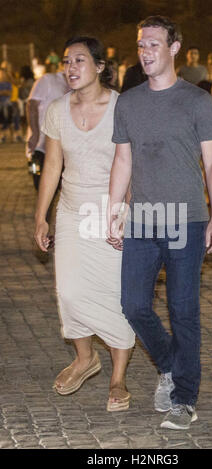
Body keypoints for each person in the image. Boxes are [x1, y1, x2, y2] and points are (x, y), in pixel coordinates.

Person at [108, 15, 212, 429]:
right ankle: (172, 364)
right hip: (142, 219)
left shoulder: (197, 101)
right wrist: (114, 208)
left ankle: (184, 397)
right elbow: (123, 159)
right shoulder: (129, 101)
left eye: (154, 44)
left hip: (187, 220)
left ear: (175, 48)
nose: (145, 52)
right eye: (141, 45)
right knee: (133, 304)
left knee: (183, 310)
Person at [34, 36, 135, 411]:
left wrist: (128, 214)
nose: (71, 67)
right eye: (66, 61)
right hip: (72, 211)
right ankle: (85, 357)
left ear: (100, 67)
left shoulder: (122, 108)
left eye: (79, 60)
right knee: (70, 293)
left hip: (111, 213)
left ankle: (118, 377)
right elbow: (53, 166)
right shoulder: (57, 109)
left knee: (113, 295)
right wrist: (40, 215)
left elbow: (133, 164)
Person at [26, 64, 69, 190]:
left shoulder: (78, 84)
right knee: (44, 187)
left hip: (66, 146)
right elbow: (31, 105)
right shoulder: (49, 80)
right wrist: (35, 133)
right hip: (42, 144)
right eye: (68, 61)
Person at [0, 68, 12, 143]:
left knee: (6, 110)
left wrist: (2, 92)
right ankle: (2, 135)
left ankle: (6, 134)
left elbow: (9, 93)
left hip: (7, 103)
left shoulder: (8, 84)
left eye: (4, 73)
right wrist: (4, 92)